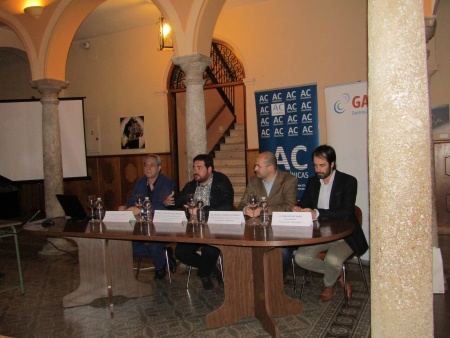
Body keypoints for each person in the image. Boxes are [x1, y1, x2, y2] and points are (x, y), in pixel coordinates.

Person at [292, 144, 369, 302]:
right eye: (315, 165)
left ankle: (328, 284)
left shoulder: (348, 181)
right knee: (301, 258)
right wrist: (299, 207)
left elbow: (346, 211)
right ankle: (337, 275)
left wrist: (317, 213)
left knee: (333, 260)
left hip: (345, 235)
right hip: (320, 234)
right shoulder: (313, 182)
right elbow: (305, 201)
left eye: (322, 165)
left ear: (332, 164)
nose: (318, 169)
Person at [164, 154, 234, 290]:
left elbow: (226, 207)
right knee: (181, 252)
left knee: (210, 249)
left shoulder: (221, 181)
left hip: (215, 228)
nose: (195, 171)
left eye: (199, 168)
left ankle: (203, 274)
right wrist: (167, 202)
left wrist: (200, 211)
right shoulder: (191, 185)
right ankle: (211, 268)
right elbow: (177, 200)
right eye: (194, 167)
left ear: (209, 169)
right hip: (194, 230)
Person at [237, 151, 298, 277]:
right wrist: (246, 210)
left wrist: (263, 210)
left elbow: (289, 206)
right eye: (255, 166)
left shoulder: (289, 180)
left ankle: (275, 281)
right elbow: (242, 204)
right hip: (258, 232)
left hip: (282, 232)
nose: (255, 169)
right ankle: (255, 280)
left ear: (270, 168)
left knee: (284, 253)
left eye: (258, 166)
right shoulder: (254, 181)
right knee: (242, 249)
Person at [118, 153, 176, 279]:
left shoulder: (166, 183)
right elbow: (133, 201)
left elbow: (163, 207)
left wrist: (141, 209)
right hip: (143, 226)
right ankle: (164, 254)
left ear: (159, 168)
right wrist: (124, 207)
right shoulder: (140, 182)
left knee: (155, 245)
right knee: (127, 246)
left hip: (162, 226)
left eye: (152, 165)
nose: (148, 168)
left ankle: (160, 269)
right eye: (146, 165)